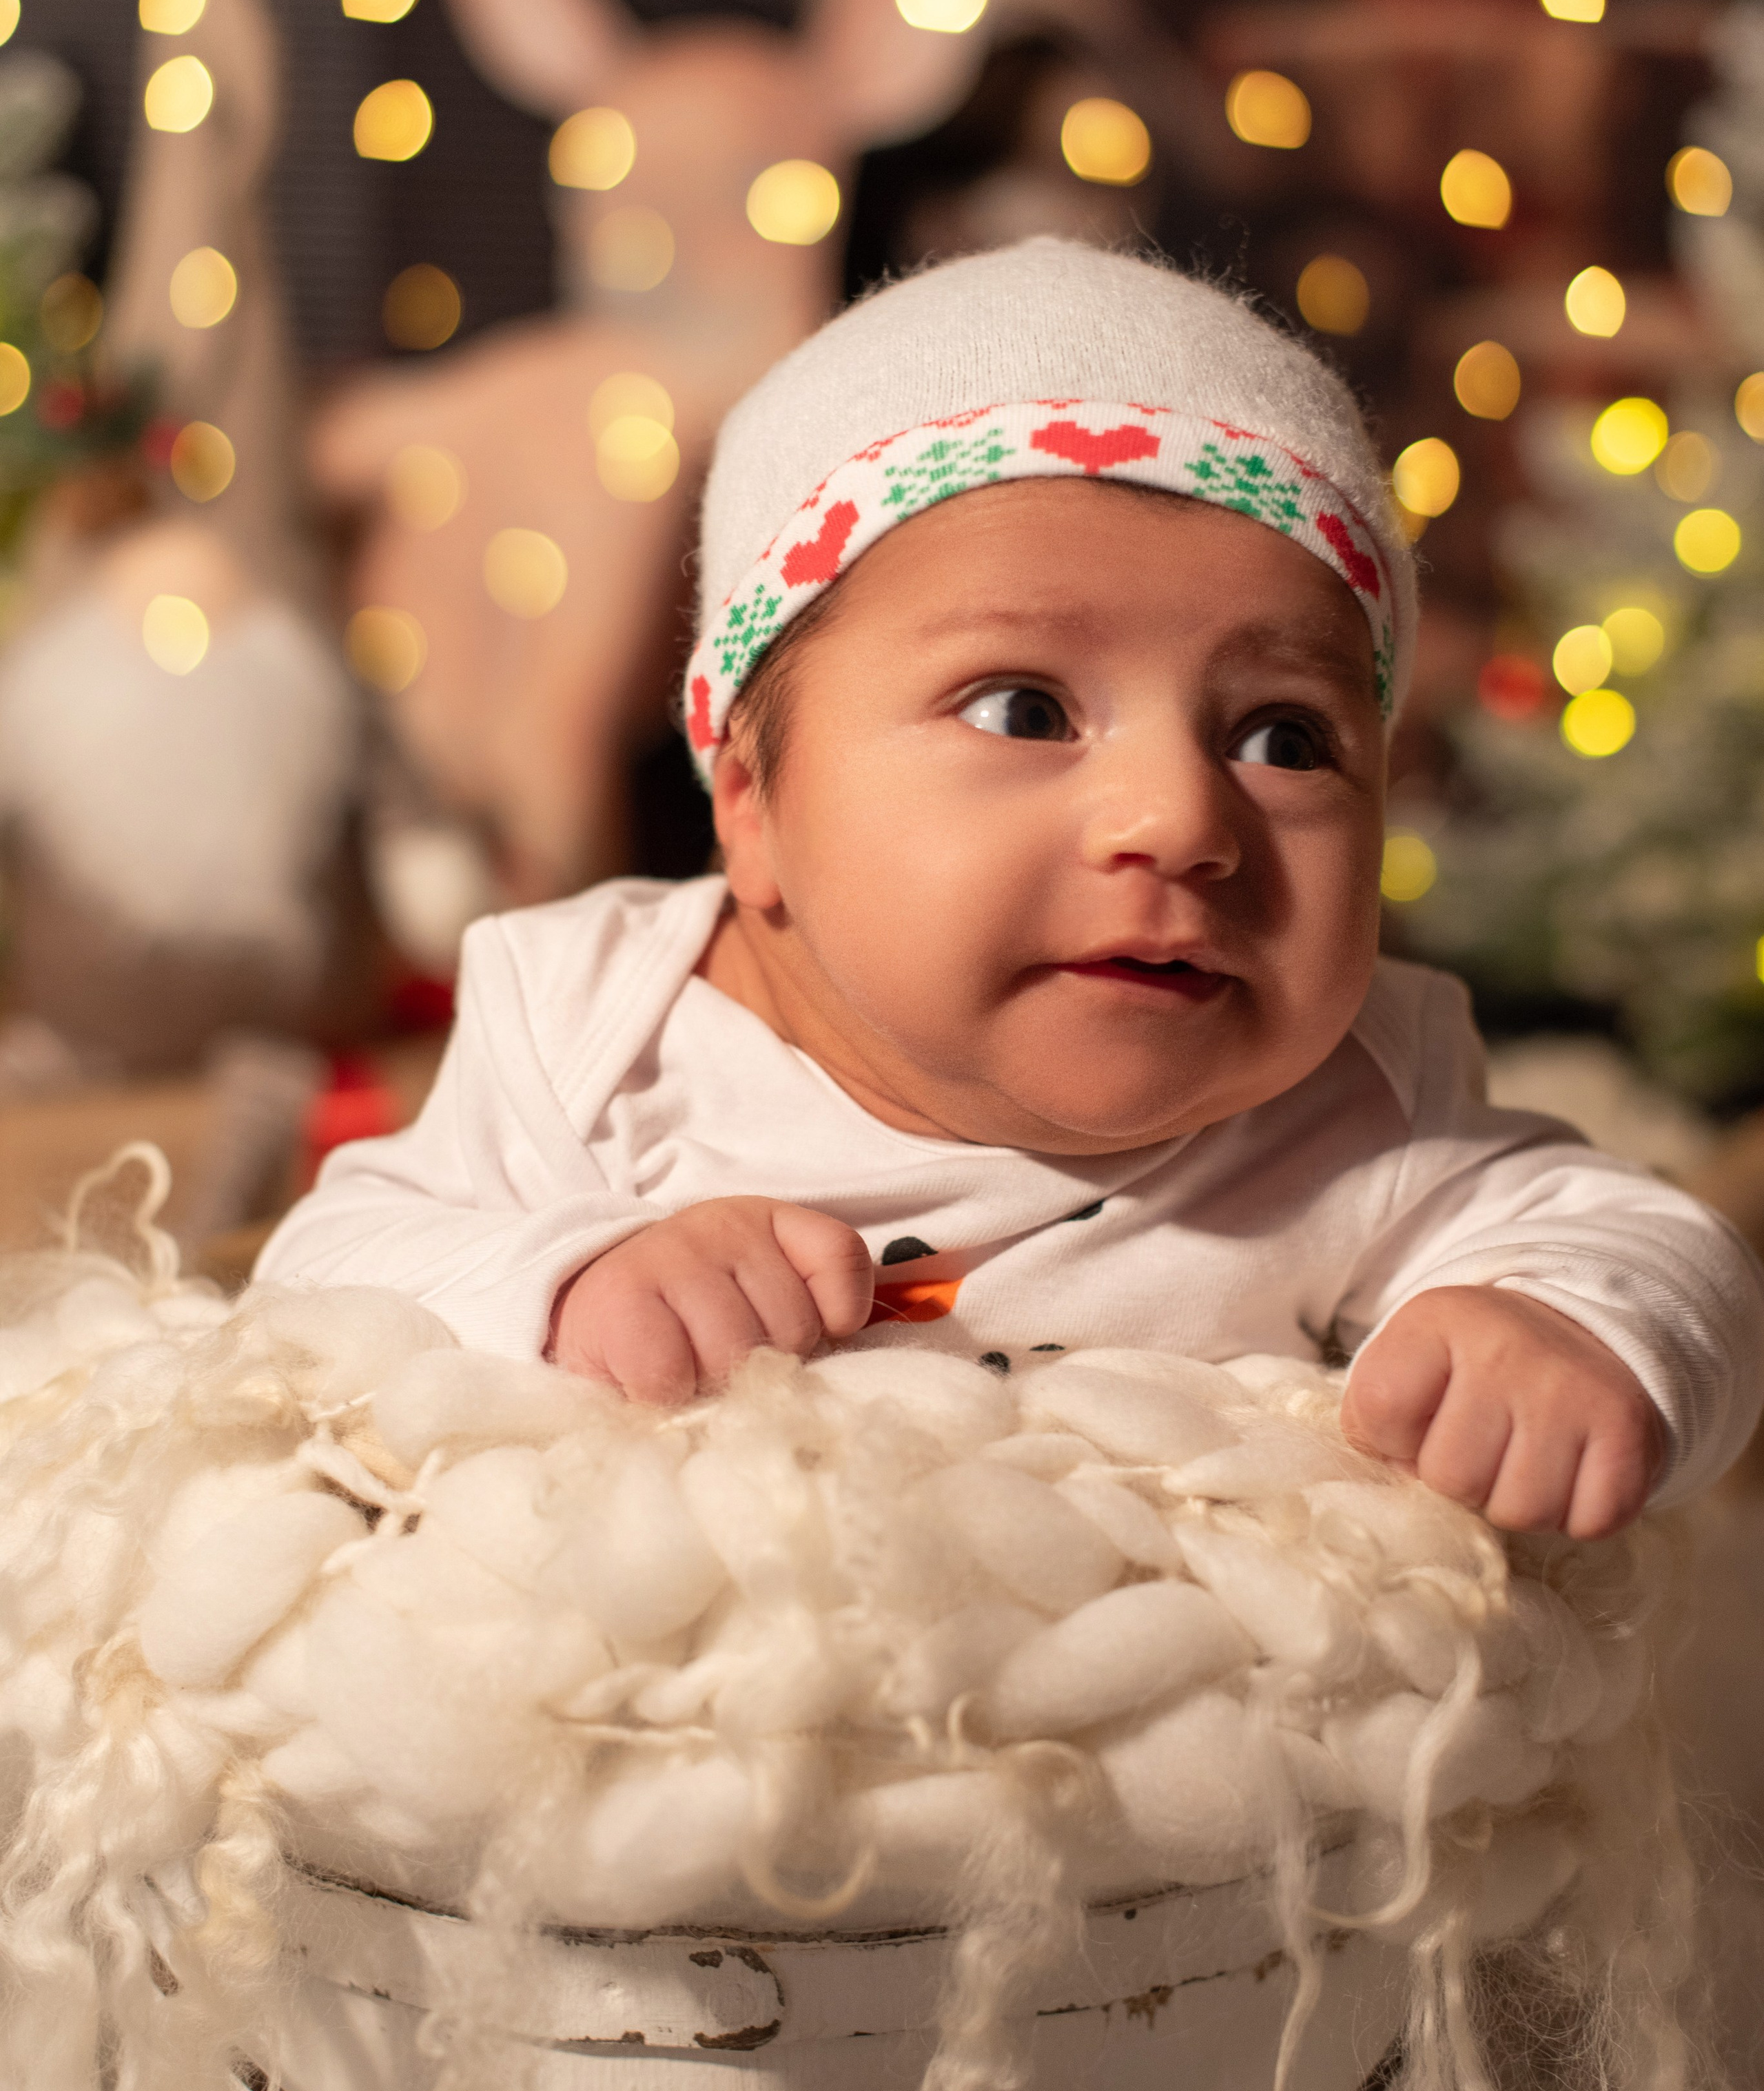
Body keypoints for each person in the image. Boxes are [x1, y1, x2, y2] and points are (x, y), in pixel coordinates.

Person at [258, 239, 1764, 1541]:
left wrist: (1571, 1335)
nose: (1181, 819)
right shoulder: (601, 1030)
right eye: (1024, 710)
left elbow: (1653, 1244)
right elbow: (317, 1280)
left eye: (1284, 738)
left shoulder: (1356, 1112)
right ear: (752, 805)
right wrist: (561, 1280)